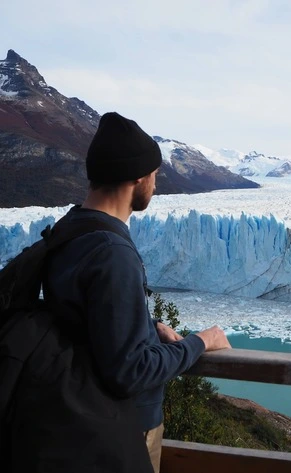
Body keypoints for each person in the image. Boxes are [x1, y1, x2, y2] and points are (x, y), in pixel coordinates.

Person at [44, 112, 231, 472]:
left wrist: (147, 323)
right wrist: (200, 342)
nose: (156, 186)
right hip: (121, 433)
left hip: (79, 420)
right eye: (155, 175)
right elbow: (130, 371)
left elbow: (84, 316)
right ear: (138, 177)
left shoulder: (69, 230)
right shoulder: (112, 253)